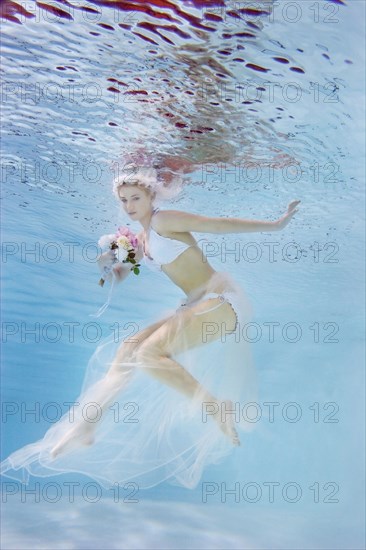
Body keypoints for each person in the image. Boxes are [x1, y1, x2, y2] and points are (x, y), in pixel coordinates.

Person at [0, 166, 300, 490]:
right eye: (124, 200)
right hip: (196, 304)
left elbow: (216, 225)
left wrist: (276, 224)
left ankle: (216, 408)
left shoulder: (163, 221)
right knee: (127, 350)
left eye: (136, 198)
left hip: (222, 300)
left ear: (151, 196)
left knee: (149, 354)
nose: (129, 206)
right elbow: (116, 275)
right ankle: (88, 425)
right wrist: (106, 264)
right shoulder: (141, 241)